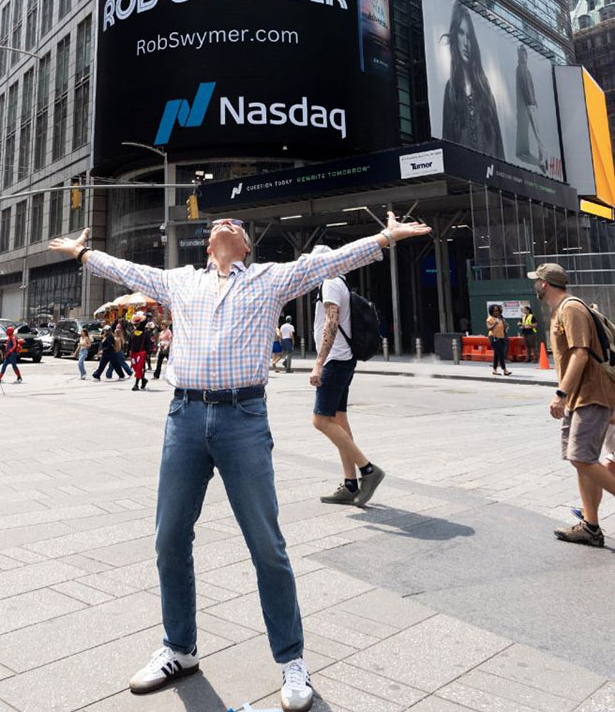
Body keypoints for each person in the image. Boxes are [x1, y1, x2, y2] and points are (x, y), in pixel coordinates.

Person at [49, 211, 430, 711]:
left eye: (236, 224)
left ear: (246, 246)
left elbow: (332, 262)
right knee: (168, 538)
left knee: (266, 544)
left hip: (243, 417)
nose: (225, 224)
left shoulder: (272, 280)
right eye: (217, 225)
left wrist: (385, 238)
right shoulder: (179, 282)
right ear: (209, 244)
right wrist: (82, 252)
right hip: (184, 415)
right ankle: (179, 648)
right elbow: (126, 271)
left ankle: (292, 661)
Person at [528, 263, 615, 547]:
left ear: (544, 284)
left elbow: (579, 354)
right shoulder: (561, 310)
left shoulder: (571, 309)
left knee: (581, 457)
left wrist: (560, 393)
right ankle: (591, 527)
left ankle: (591, 526)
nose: (535, 285)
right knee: (581, 461)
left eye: (537, 281)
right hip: (581, 396)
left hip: (590, 393)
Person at [310, 257, 384, 507]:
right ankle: (350, 484)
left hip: (334, 360)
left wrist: (319, 362)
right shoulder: (339, 282)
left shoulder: (330, 282)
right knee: (338, 419)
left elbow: (331, 321)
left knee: (320, 420)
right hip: (344, 359)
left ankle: (368, 470)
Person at [441, 1, 504, 159]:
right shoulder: (450, 90)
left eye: (470, 36)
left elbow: (499, 145)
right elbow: (447, 146)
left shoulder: (484, 86)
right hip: (464, 179)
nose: (466, 43)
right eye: (461, 33)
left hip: (492, 179)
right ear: (455, 36)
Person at [515, 46, 546, 171]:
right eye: (522, 55)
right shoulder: (521, 69)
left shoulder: (526, 70)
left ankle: (542, 156)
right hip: (528, 105)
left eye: (525, 55)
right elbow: (523, 89)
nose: (524, 57)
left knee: (537, 132)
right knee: (536, 133)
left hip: (532, 104)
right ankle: (543, 158)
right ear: (520, 56)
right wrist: (528, 103)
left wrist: (535, 101)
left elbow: (531, 87)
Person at [486, 304, 511, 377]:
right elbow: (489, 328)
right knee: (501, 354)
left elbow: (504, 326)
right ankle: (505, 370)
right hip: (493, 337)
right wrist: (494, 324)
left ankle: (494, 370)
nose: (497, 312)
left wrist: (506, 325)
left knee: (497, 354)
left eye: (498, 311)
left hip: (501, 337)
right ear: (492, 311)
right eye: (495, 311)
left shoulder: (500, 318)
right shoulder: (490, 319)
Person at [129, 314, 151, 391]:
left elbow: (148, 344)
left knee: (140, 368)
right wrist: (129, 351)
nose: (136, 325)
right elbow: (130, 343)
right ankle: (143, 380)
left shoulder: (145, 333)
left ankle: (136, 384)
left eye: (137, 324)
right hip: (134, 353)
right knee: (136, 368)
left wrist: (148, 354)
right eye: (135, 324)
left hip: (142, 353)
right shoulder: (133, 332)